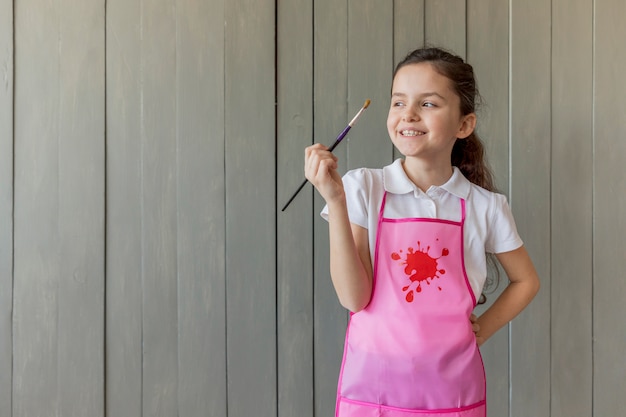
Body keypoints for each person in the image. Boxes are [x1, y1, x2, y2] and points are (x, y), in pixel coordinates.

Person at [304, 47, 540, 417]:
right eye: (398, 103)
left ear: (464, 125)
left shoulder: (485, 206)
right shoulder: (362, 187)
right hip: (372, 390)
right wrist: (335, 201)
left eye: (428, 104)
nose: (408, 115)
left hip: (452, 394)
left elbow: (526, 280)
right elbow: (354, 299)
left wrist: (483, 330)